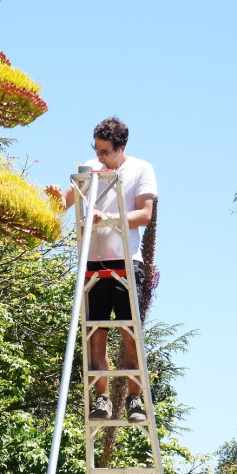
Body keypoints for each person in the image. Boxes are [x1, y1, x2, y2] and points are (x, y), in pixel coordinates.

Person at [50, 117, 157, 422]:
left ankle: (135, 400)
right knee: (95, 334)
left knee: (129, 331)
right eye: (96, 149)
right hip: (92, 262)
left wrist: (106, 218)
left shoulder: (141, 169)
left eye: (106, 152)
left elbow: (145, 215)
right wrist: (54, 194)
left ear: (121, 148)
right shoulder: (89, 168)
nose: (100, 156)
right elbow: (63, 204)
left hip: (125, 260)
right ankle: (102, 398)